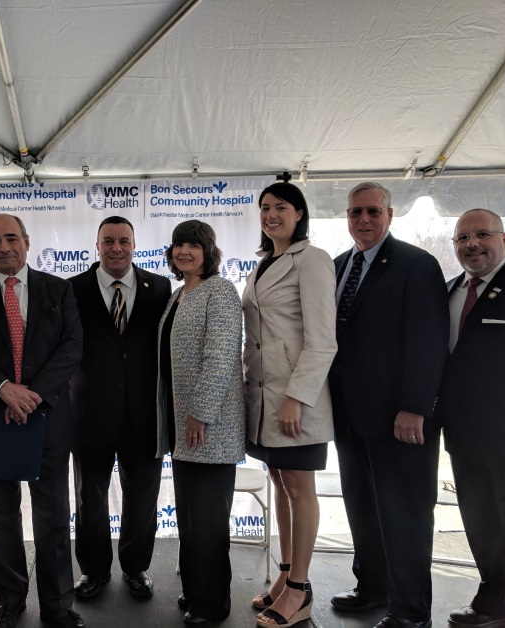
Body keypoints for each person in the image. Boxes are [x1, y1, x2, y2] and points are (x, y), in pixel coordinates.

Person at [0, 214, 84, 628]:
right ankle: (10, 602)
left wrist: (31, 394)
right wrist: (4, 388)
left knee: (53, 519)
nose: (4, 247)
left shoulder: (59, 290)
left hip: (47, 419)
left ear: (26, 241)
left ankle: (58, 606)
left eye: (11, 238)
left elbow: (71, 346)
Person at [329, 182, 449, 628]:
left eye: (372, 211)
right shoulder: (339, 265)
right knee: (362, 507)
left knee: (405, 515)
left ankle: (411, 612)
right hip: (349, 416)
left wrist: (415, 406)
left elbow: (429, 341)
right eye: (355, 212)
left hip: (401, 419)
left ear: (390, 214)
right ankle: (372, 588)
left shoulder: (417, 264)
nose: (363, 219)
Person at [435, 209, 505, 628]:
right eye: (462, 238)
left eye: (482, 234)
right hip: (465, 440)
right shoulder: (449, 291)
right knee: (483, 529)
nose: (472, 244)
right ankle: (495, 604)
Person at [242, 183, 337, 628]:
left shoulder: (312, 260)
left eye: (281, 207)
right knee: (279, 483)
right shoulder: (263, 263)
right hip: (263, 398)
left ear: (299, 213)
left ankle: (300, 589)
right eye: (265, 207)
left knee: (300, 488)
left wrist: (296, 398)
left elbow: (323, 341)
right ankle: (285, 573)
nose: (271, 214)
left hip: (296, 400)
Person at [69, 216, 171, 600]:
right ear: (96, 246)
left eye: (123, 241)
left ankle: (136, 567)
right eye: (108, 241)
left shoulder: (159, 288)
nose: (116, 248)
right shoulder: (72, 289)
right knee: (89, 499)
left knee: (143, 496)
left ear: (134, 245)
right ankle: (93, 571)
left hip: (144, 414)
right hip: (90, 414)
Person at [156, 219, 245, 626]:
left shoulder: (220, 291)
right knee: (191, 519)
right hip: (183, 426)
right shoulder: (178, 295)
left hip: (210, 426)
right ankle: (195, 591)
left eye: (193, 245)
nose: (184, 251)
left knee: (208, 522)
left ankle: (212, 605)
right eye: (179, 245)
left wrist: (201, 413)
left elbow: (221, 355)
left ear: (208, 251)